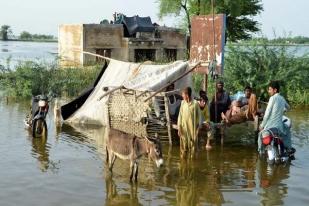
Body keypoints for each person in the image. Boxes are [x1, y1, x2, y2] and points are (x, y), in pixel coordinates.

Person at [258, 81, 291, 154]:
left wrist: (262, 125)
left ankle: (262, 153)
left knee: (260, 134)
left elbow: (267, 113)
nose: (268, 91)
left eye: (270, 89)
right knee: (287, 131)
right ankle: (288, 149)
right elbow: (289, 108)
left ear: (275, 90)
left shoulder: (272, 98)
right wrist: (283, 109)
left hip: (270, 126)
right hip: (280, 127)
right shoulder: (282, 98)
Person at [177, 87, 200, 158]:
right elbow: (180, 116)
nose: (182, 96)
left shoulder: (195, 104)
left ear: (187, 95)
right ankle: (184, 166)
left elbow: (198, 117)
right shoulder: (182, 103)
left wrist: (197, 130)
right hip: (183, 129)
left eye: (183, 94)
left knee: (192, 148)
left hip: (192, 130)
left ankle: (192, 166)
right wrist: (179, 128)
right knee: (183, 149)